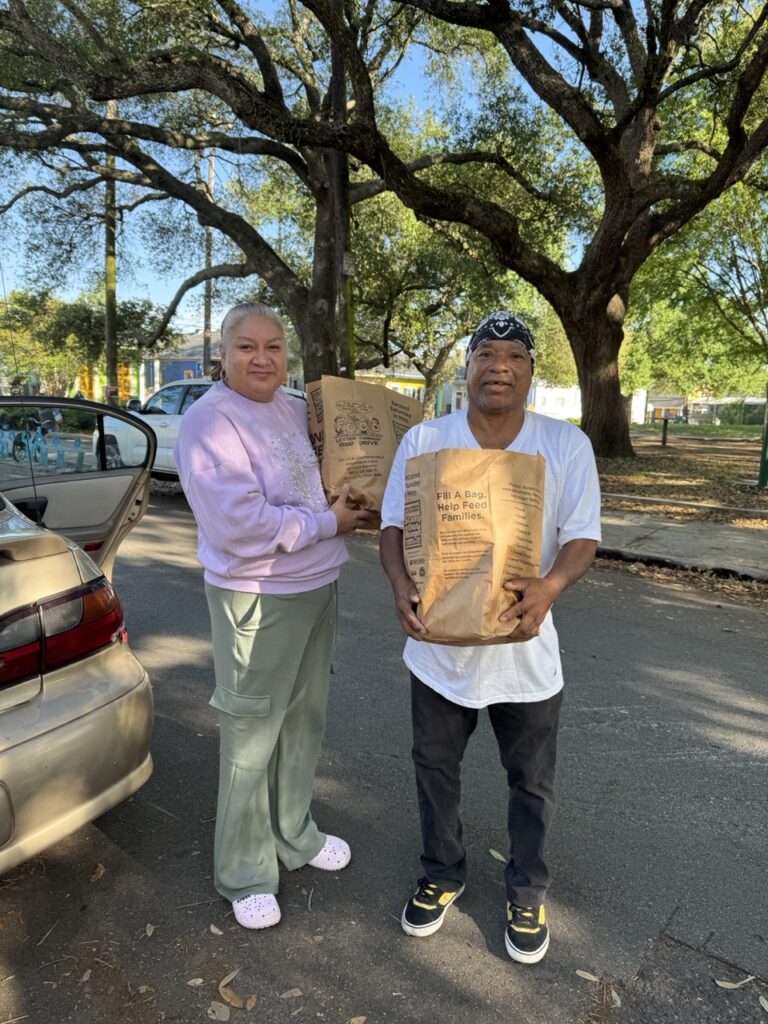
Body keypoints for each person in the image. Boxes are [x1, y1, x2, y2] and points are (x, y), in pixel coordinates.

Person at [379, 311, 601, 964]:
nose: (499, 365)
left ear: (532, 373)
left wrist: (551, 586)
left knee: (531, 782)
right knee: (434, 770)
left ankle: (527, 889)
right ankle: (441, 872)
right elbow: (393, 527)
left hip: (525, 653)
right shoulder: (425, 443)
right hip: (437, 652)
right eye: (486, 353)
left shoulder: (565, 447)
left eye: (514, 356)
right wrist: (398, 586)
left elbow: (584, 536)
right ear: (467, 368)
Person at [175, 302, 371, 930]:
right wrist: (328, 522)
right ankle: (244, 870)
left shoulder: (294, 408)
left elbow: (314, 488)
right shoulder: (208, 422)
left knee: (303, 722)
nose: (263, 358)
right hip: (256, 595)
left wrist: (344, 500)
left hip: (317, 585)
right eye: (246, 347)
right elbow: (238, 527)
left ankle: (295, 834)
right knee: (251, 735)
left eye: (274, 346)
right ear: (223, 355)